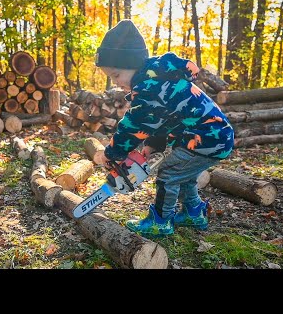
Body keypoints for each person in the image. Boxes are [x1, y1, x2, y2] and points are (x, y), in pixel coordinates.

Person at [95, 19, 235, 238]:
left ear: (133, 64)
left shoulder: (150, 88)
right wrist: (152, 145)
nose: (117, 83)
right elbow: (162, 119)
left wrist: (113, 152)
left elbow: (135, 124)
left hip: (208, 138)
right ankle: (194, 212)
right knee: (184, 175)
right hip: (210, 137)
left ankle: (160, 221)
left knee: (168, 173)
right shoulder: (158, 79)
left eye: (116, 76)